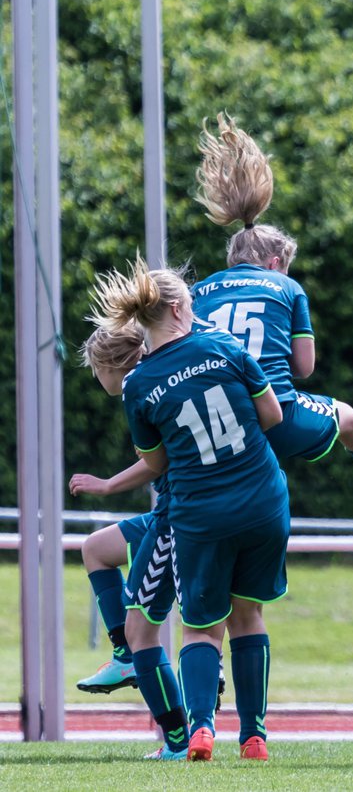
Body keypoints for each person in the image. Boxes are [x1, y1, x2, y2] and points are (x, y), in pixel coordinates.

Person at [189, 113, 353, 507]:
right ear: (275, 262)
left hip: (208, 421)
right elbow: (304, 367)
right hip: (272, 411)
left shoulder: (198, 290)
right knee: (347, 418)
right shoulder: (286, 286)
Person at [93, 256, 289, 762]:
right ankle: (255, 737)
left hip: (199, 513)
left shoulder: (137, 385)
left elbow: (156, 462)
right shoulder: (225, 345)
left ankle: (200, 729)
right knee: (250, 616)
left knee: (200, 626)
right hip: (263, 499)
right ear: (180, 307)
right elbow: (272, 414)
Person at [68, 322, 189, 760]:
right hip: (169, 512)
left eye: (95, 370)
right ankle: (122, 655)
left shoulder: (143, 385)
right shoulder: (159, 374)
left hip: (181, 517)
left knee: (147, 635)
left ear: (111, 365)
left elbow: (156, 463)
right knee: (95, 549)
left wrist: (105, 485)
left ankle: (179, 742)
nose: (96, 379)